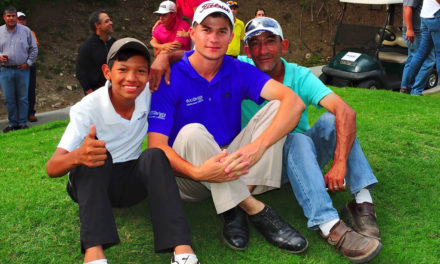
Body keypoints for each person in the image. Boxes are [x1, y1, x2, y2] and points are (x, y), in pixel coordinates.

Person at [147, 1, 308, 254]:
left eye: (222, 31)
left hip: (234, 160)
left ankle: (234, 203)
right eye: (206, 29)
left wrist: (258, 147)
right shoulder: (169, 77)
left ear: (231, 37)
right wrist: (197, 172)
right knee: (191, 132)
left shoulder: (238, 70)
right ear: (192, 33)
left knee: (279, 105)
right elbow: (156, 147)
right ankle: (252, 208)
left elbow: (294, 102)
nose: (214, 38)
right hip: (191, 176)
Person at [240, 17, 382, 263]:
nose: (262, 50)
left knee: (331, 120)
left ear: (284, 45)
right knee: (297, 138)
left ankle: (362, 202)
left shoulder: (299, 75)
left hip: (300, 157)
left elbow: (345, 112)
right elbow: (198, 58)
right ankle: (329, 225)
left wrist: (339, 163)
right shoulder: (240, 67)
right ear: (246, 50)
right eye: (255, 43)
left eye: (269, 41)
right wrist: (165, 57)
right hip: (263, 162)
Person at [46, 38, 199, 264]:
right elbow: (52, 167)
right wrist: (78, 155)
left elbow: (192, 57)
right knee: (97, 155)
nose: (131, 78)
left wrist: (164, 56)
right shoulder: (87, 108)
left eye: (140, 71)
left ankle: (182, 249)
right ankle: (94, 254)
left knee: (155, 155)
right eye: (123, 70)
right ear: (107, 72)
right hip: (92, 183)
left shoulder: (150, 92)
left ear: (149, 74)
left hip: (130, 182)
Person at [0, 6, 38, 133]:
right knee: (9, 98)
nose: (11, 18)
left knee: (22, 97)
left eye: (13, 16)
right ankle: (12, 123)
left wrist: (28, 63)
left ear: (17, 17)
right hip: (5, 70)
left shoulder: (26, 31)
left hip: (22, 69)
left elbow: (34, 49)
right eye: (8, 16)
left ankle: (22, 123)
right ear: (4, 17)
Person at [400, 0, 440, 93]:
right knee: (435, 55)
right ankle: (414, 89)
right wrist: (409, 29)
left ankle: (407, 86)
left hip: (425, 17)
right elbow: (407, 7)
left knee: (420, 54)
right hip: (434, 16)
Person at [76, 10, 116, 95]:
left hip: (114, 92)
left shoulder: (114, 43)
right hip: (96, 94)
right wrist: (90, 92)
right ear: (98, 26)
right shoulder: (87, 47)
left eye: (110, 20)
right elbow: (80, 72)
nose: (111, 23)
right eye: (107, 21)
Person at [16, 11, 39, 122]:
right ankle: (19, 114)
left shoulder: (30, 32)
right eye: (19, 19)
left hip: (29, 65)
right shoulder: (8, 32)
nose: (21, 21)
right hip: (15, 66)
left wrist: (28, 62)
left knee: (30, 89)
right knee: (16, 91)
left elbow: (34, 48)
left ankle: (30, 112)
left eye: (23, 19)